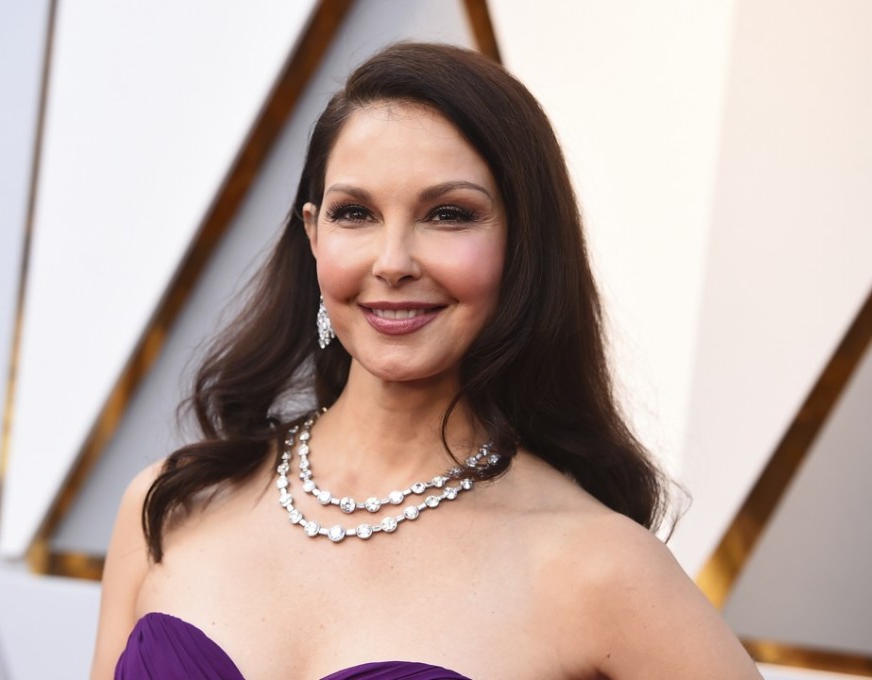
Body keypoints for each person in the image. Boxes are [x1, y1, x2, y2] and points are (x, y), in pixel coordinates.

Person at [91, 42, 761, 679]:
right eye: (355, 213)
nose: (393, 262)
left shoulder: (599, 567)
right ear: (313, 234)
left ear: (524, 244)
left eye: (448, 214)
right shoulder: (171, 504)